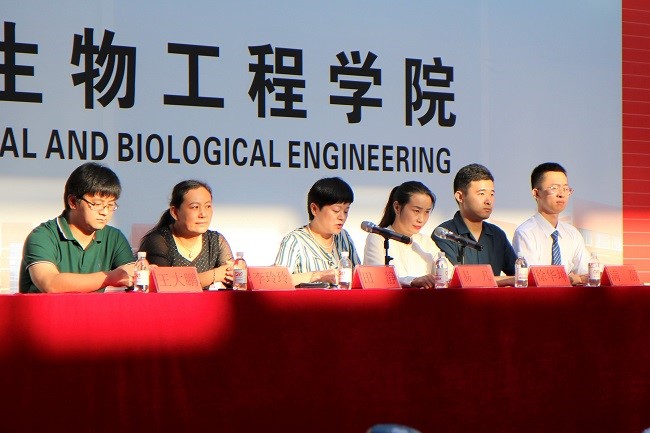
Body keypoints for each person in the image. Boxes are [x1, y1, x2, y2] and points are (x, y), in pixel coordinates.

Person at [19, 162, 135, 293]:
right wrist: (108, 277)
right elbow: (50, 284)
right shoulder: (42, 236)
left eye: (110, 205)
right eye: (97, 204)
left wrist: (142, 272)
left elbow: (132, 274)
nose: (105, 212)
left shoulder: (114, 237)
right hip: (49, 307)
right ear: (73, 202)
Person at [139, 180, 234, 289]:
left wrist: (236, 271)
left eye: (208, 206)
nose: (203, 214)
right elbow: (165, 284)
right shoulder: (159, 240)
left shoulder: (215, 240)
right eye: (195, 207)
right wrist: (214, 275)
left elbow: (231, 275)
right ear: (175, 212)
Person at [432, 163, 516, 285]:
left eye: (492, 194)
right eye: (481, 194)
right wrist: (507, 280)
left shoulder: (497, 234)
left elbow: (519, 274)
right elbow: (457, 279)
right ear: (460, 197)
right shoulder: (444, 234)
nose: (488, 201)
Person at [275, 177, 361, 286]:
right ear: (314, 209)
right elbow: (277, 280)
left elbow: (359, 276)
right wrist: (317, 276)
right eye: (336, 210)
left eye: (346, 211)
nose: (342, 217)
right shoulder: (294, 240)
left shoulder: (344, 237)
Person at [512, 162, 588, 285]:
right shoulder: (525, 233)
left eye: (565, 189)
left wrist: (578, 278)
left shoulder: (572, 233)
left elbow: (589, 274)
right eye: (554, 188)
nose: (561, 194)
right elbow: (533, 278)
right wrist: (572, 279)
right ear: (536, 193)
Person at [363, 181, 439, 288]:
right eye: (416, 211)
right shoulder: (378, 238)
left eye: (427, 212)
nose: (421, 219)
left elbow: (448, 274)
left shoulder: (426, 242)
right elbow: (377, 278)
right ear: (397, 207)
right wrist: (412, 281)